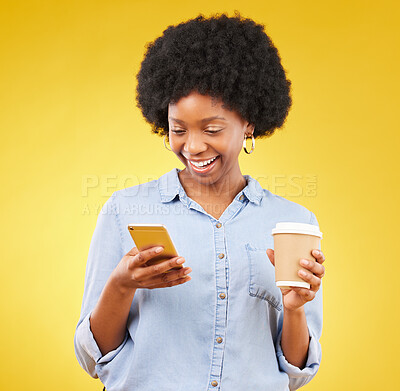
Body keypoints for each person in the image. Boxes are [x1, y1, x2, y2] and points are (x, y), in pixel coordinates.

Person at [74, 12, 326, 391]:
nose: (192, 147)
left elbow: (296, 373)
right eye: (178, 130)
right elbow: (95, 357)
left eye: (212, 129)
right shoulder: (124, 210)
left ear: (249, 123)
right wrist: (122, 285)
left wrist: (294, 309)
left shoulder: (292, 222)